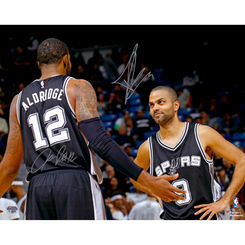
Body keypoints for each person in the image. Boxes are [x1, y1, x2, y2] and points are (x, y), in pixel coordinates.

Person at [0, 38, 185, 219]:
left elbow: (9, 167)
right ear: (66, 59)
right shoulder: (77, 87)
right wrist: (147, 180)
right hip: (75, 182)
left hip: (37, 188)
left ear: (38, 63)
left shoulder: (18, 100)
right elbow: (99, 141)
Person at [131, 85, 245, 220]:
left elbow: (242, 160)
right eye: (151, 105)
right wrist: (154, 191)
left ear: (176, 106)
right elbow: (134, 176)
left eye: (161, 102)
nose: (155, 108)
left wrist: (225, 200)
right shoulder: (147, 148)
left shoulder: (202, 133)